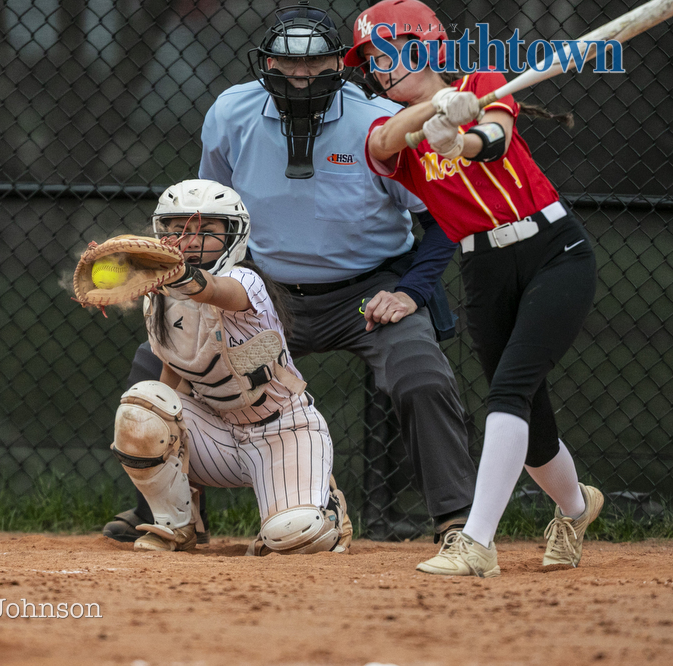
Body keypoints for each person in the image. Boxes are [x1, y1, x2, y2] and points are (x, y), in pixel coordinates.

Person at [105, 2, 478, 561]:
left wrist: (410, 291)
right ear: (266, 64)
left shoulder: (377, 119)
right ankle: (171, 510)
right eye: (286, 65)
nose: (300, 77)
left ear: (341, 63)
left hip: (367, 294)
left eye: (317, 64)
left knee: (419, 373)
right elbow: (211, 213)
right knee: (155, 361)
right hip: (266, 297)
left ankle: (457, 519)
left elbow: (445, 221)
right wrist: (184, 276)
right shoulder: (232, 112)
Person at [346, 0, 604, 577]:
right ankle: (577, 508)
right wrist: (434, 110)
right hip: (482, 271)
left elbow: (496, 137)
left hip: (553, 252)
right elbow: (386, 142)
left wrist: (457, 139)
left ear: (428, 46)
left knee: (508, 392)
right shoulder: (381, 120)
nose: (383, 68)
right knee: (532, 426)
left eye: (394, 51)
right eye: (373, 59)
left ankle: (475, 543)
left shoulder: (483, 82)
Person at [111, 178, 352, 555]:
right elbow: (173, 379)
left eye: (206, 230)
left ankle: (328, 508)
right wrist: (162, 433)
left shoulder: (245, 280)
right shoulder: (159, 300)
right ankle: (177, 525)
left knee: (292, 537)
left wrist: (179, 276)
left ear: (233, 235)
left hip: (282, 432)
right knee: (143, 405)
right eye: (179, 231)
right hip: (218, 434)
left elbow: (213, 291)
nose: (190, 241)